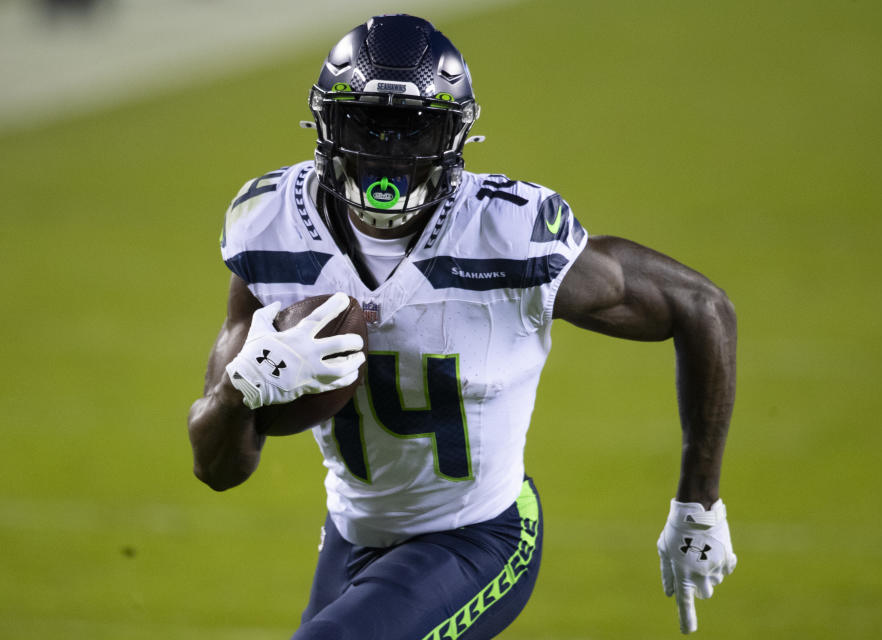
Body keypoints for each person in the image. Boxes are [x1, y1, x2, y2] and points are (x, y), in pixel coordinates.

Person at [187, 14, 737, 639]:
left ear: (454, 136)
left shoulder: (507, 233)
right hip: (351, 536)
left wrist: (699, 501)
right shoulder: (270, 226)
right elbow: (217, 468)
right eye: (368, 122)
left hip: (480, 535)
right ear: (327, 125)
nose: (386, 152)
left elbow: (702, 307)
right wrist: (243, 387)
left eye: (413, 129)